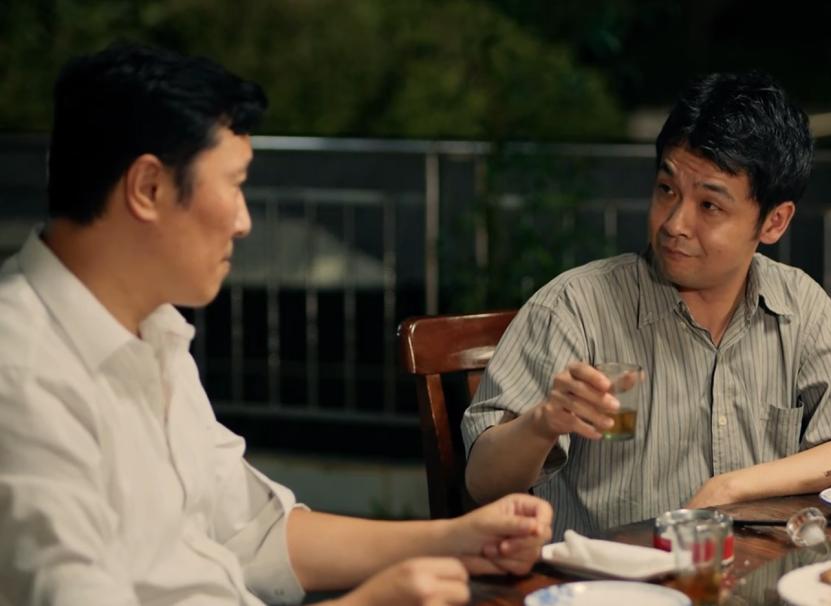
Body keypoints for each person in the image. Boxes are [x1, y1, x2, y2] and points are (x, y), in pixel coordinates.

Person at [0, 43, 551, 606]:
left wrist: (457, 539)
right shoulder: (22, 373)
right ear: (148, 188)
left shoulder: (154, 332)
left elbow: (253, 534)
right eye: (234, 183)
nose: (243, 222)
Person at [462, 71, 831, 538]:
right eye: (666, 190)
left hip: (748, 570)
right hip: (608, 574)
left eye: (709, 206)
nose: (674, 224)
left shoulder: (799, 306)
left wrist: (730, 488)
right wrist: (543, 422)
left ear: (774, 222)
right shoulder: (575, 307)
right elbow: (483, 483)